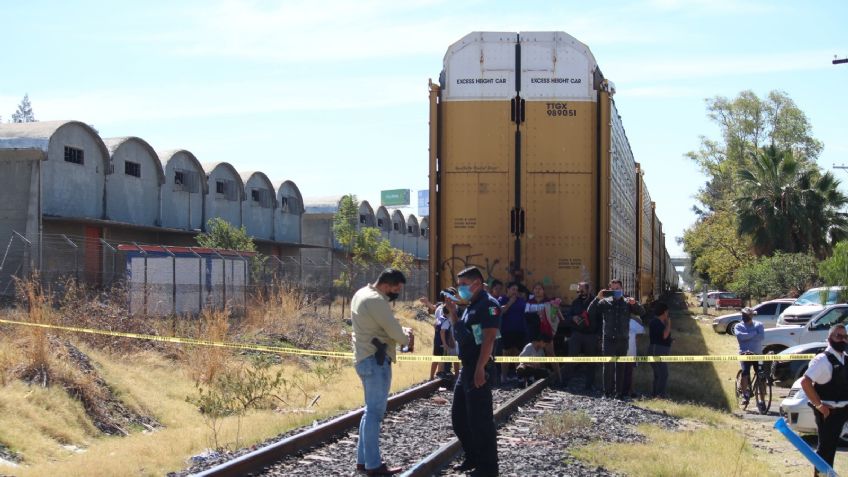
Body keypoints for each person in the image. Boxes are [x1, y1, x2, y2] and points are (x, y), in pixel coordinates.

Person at [352, 269, 414, 476]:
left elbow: (381, 327)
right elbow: (393, 329)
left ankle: (363, 461)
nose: (396, 292)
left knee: (369, 412)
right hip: (375, 361)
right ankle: (373, 465)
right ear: (387, 285)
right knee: (374, 414)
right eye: (396, 288)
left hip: (364, 358)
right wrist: (406, 339)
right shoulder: (376, 300)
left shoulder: (361, 293)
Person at [444, 266, 500, 477]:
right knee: (459, 419)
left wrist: (480, 369)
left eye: (464, 285)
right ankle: (473, 457)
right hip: (467, 368)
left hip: (478, 367)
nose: (461, 289)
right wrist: (453, 314)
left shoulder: (488, 305)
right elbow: (464, 336)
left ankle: (488, 468)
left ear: (477, 283)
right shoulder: (470, 306)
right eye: (459, 285)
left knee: (481, 422)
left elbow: (489, 339)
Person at [800, 325, 848, 475]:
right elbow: (805, 382)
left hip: (845, 409)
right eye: (838, 336)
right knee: (826, 451)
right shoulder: (822, 360)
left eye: (845, 336)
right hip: (829, 413)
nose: (842, 339)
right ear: (829, 339)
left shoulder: (845, 358)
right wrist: (819, 406)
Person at [588, 279, 645, 398]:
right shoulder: (604, 302)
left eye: (617, 288)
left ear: (622, 289)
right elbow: (590, 312)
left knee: (621, 367)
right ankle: (607, 392)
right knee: (608, 366)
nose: (615, 291)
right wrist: (597, 298)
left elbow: (642, 312)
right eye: (612, 289)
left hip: (623, 339)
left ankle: (619, 392)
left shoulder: (627, 302)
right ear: (609, 290)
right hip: (609, 339)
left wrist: (635, 304)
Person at [525, 283, 563, 383]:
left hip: (546, 331)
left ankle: (559, 378)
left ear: (543, 291)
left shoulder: (549, 302)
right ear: (533, 291)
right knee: (536, 354)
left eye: (540, 289)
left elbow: (554, 317)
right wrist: (538, 316)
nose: (537, 290)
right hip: (534, 331)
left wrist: (553, 310)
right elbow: (526, 316)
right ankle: (541, 377)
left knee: (551, 354)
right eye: (535, 288)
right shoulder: (529, 302)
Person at [565, 282, 599, 391]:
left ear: (588, 290)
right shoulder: (575, 302)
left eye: (582, 290)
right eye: (578, 290)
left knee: (591, 362)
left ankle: (589, 385)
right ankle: (565, 382)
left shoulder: (596, 302)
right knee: (571, 358)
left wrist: (599, 335)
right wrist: (573, 318)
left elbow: (601, 319)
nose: (579, 292)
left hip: (591, 335)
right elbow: (568, 316)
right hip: (577, 334)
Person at [734, 307, 765, 408]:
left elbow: (761, 337)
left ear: (751, 316)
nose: (744, 317)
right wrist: (753, 333)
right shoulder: (738, 326)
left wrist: (747, 336)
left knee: (761, 376)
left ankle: (762, 400)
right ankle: (745, 395)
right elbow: (740, 337)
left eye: (746, 315)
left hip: (757, 354)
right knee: (745, 373)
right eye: (743, 315)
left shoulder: (759, 325)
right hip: (744, 353)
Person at [498, 282, 528, 381]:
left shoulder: (520, 300)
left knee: (517, 353)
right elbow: (500, 312)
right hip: (507, 330)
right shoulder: (502, 299)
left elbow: (526, 309)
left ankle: (519, 376)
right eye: (513, 289)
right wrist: (510, 302)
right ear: (508, 289)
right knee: (506, 353)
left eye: (516, 290)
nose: (515, 292)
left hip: (519, 330)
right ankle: (504, 376)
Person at [648, 301, 672, 398]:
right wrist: (669, 324)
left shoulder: (661, 322)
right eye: (667, 312)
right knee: (663, 374)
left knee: (659, 374)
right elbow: (665, 335)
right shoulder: (655, 322)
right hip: (656, 350)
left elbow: (664, 337)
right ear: (664, 312)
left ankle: (655, 394)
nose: (668, 314)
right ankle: (660, 395)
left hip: (662, 349)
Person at [621, 314, 645, 398]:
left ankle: (630, 391)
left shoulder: (634, 320)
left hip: (630, 352)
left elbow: (641, 332)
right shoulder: (618, 319)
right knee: (623, 372)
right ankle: (622, 391)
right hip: (622, 351)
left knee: (629, 372)